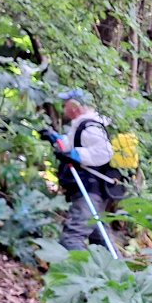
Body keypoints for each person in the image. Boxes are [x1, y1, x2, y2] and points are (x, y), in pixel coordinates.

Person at [40, 89, 116, 250]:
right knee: (100, 239)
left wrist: (75, 155)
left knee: (72, 237)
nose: (63, 107)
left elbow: (104, 152)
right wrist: (54, 137)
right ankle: (115, 272)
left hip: (90, 188)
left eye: (65, 103)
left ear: (75, 106)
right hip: (90, 189)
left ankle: (76, 271)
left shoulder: (91, 126)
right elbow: (69, 146)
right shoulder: (81, 124)